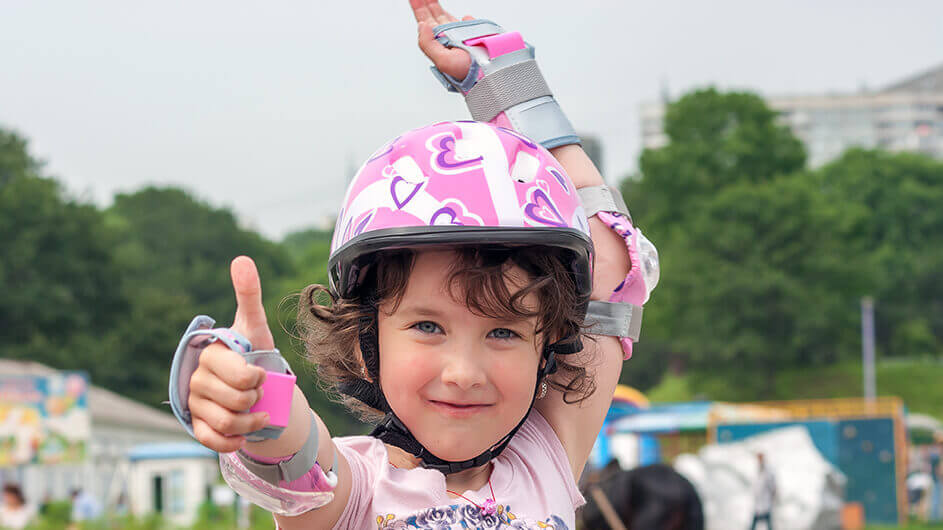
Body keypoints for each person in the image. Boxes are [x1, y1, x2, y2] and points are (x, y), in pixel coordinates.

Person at [167, 1, 659, 528]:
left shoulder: (548, 459)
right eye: (427, 326)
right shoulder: (353, 493)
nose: (465, 373)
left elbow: (610, 263)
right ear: (364, 341)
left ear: (550, 347)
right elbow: (299, 467)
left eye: (504, 333)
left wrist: (504, 82)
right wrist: (259, 405)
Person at [750, 453, 777, 530]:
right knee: (756, 522)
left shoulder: (768, 471)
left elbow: (772, 485)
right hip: (759, 502)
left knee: (767, 523)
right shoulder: (757, 470)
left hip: (766, 501)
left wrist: (773, 495)